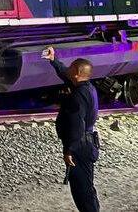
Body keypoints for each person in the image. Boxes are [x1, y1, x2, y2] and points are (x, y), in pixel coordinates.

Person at [43, 46, 100, 212]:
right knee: (85, 186)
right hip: (86, 143)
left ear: (77, 73)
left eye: (71, 67)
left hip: (80, 145)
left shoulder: (78, 95)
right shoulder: (85, 87)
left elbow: (77, 124)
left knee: (82, 189)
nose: (67, 69)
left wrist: (69, 150)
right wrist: (54, 60)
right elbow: (65, 75)